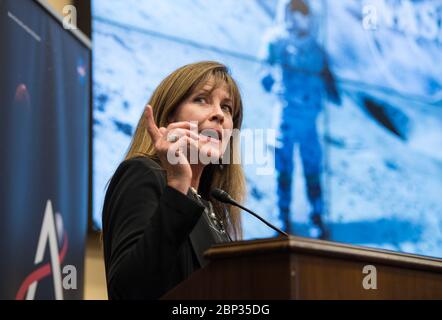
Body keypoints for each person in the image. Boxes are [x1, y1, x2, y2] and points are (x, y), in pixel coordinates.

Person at [101, 61, 246, 299]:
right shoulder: (143, 173)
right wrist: (178, 184)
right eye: (202, 99)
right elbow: (127, 292)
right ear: (169, 116)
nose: (220, 114)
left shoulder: (213, 207)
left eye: (227, 107)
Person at [260, 0, 340, 239]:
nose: (298, 20)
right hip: (286, 115)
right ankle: (282, 217)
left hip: (310, 121)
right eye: (294, 14)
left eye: (302, 14)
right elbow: (264, 69)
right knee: (283, 168)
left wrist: (332, 88)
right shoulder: (277, 41)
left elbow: (327, 76)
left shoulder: (316, 48)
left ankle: (316, 217)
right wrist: (269, 80)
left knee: (312, 169)